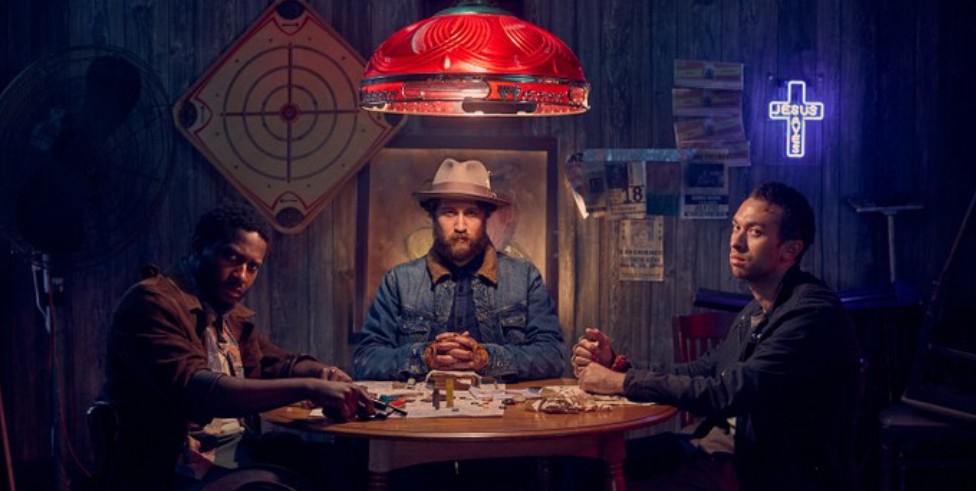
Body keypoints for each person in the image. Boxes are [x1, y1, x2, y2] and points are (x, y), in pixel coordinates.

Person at [572, 181, 862, 491]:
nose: (736, 242)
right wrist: (617, 365)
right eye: (736, 227)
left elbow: (726, 393)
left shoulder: (811, 312)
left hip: (765, 470)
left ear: (790, 250)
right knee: (582, 467)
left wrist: (620, 384)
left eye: (755, 232)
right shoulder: (759, 307)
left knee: (592, 476)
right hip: (726, 447)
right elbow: (701, 370)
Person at [99, 203, 374, 490]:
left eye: (253, 267)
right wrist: (308, 388)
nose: (241, 276)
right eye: (231, 257)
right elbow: (200, 390)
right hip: (171, 470)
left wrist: (323, 373)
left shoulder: (225, 311)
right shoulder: (151, 303)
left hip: (236, 455)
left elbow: (275, 363)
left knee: (349, 464)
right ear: (198, 248)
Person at [353, 158, 566, 382]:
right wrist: (425, 357)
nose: (461, 226)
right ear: (433, 217)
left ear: (486, 217)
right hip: (423, 414)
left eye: (471, 213)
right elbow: (365, 359)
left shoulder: (524, 277)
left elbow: (552, 355)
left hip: (504, 414)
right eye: (449, 212)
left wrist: (486, 358)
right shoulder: (398, 280)